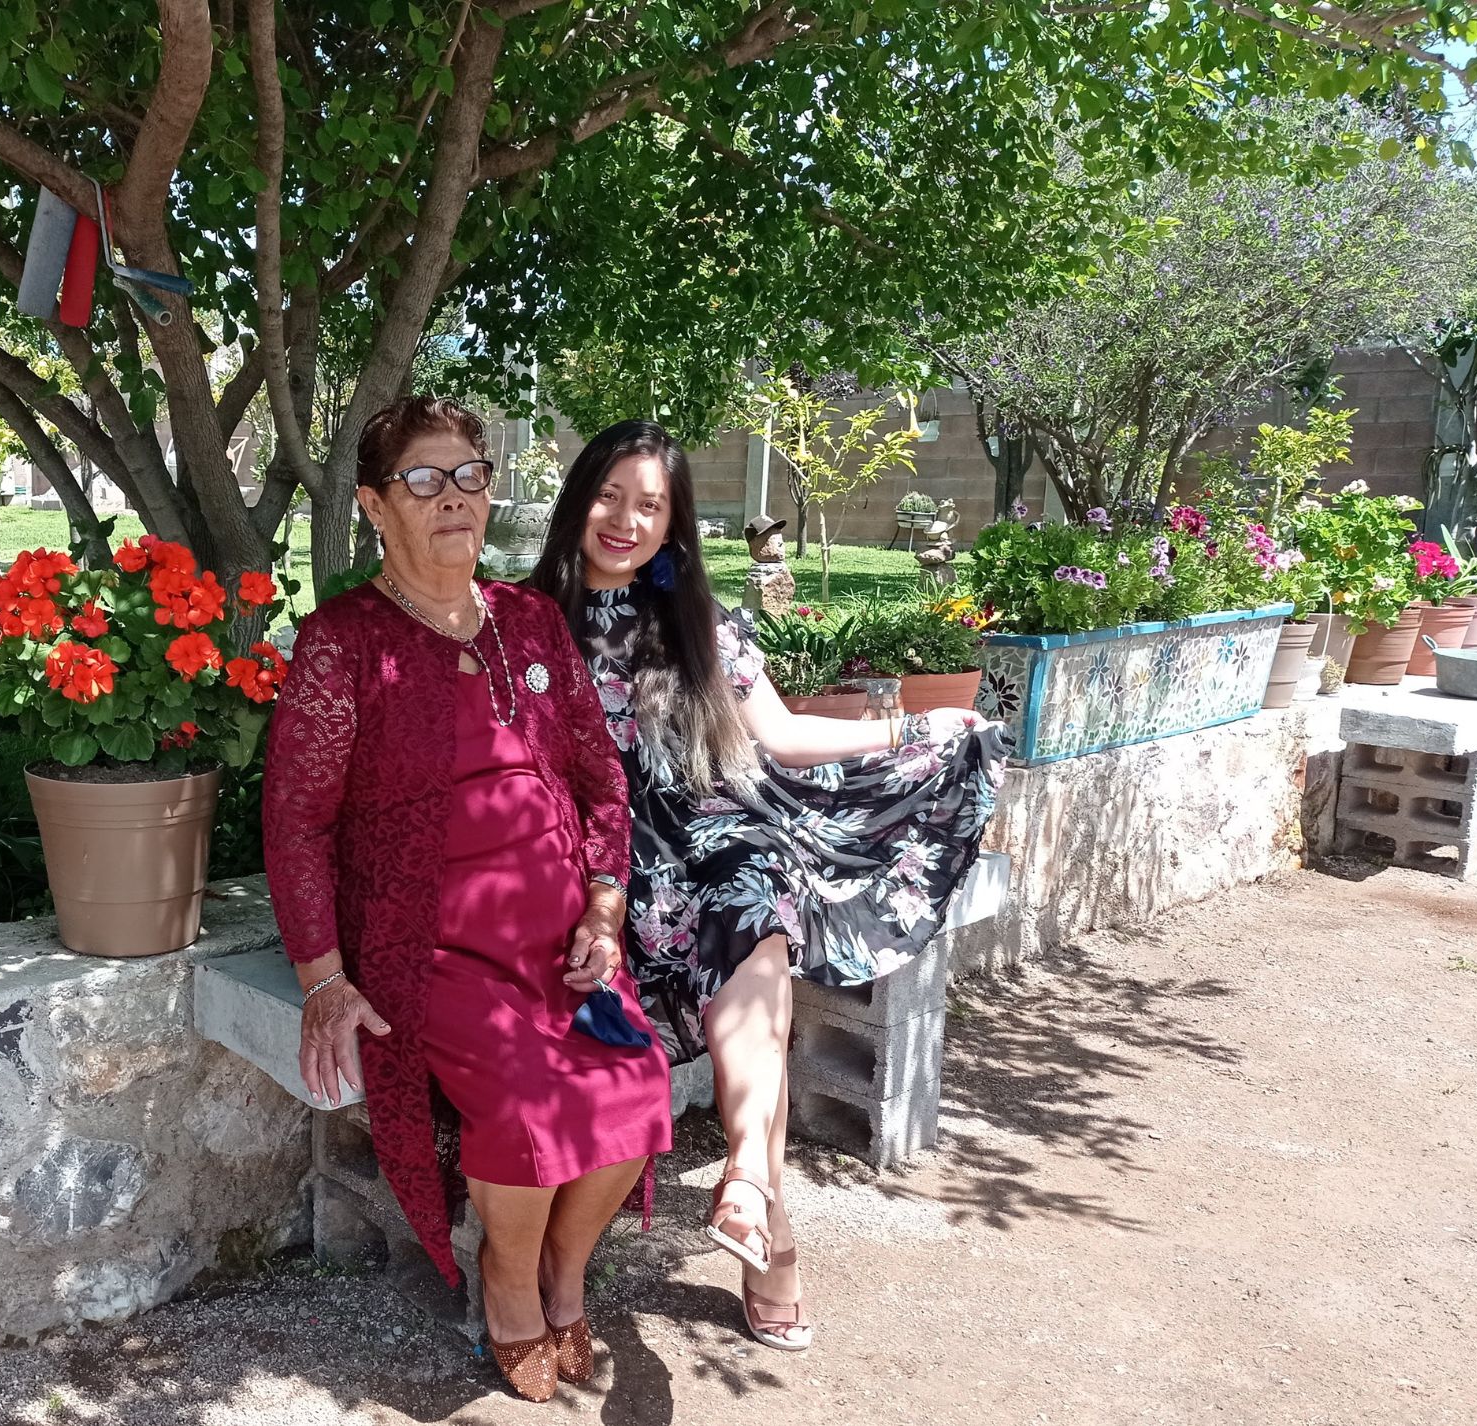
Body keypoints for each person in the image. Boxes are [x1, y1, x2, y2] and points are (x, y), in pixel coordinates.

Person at [530, 420, 1011, 1353]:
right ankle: (767, 1225)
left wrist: (911, 733)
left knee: (754, 894)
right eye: (609, 496)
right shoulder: (524, 620)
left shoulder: (697, 623)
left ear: (674, 525)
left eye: (650, 505)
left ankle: (747, 1167)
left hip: (708, 831)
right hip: (592, 857)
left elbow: (783, 737)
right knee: (755, 956)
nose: (624, 520)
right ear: (577, 498)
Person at [263, 397, 673, 1403]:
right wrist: (324, 977)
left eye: (469, 477)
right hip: (429, 948)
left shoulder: (528, 619)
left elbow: (600, 781)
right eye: (423, 481)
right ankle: (506, 1280)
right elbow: (296, 823)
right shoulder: (345, 642)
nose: (452, 498)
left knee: (638, 1082)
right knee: (529, 1109)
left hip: (557, 938)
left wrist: (606, 905)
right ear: (375, 505)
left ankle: (566, 1275)